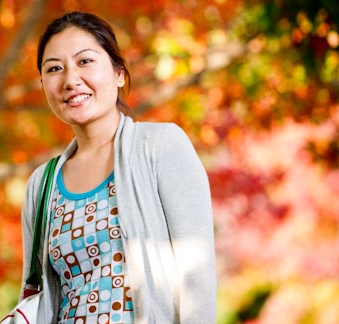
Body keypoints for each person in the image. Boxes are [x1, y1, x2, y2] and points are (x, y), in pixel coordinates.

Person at [20, 11, 216, 324]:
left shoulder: (160, 146)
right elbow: (36, 294)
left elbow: (197, 276)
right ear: (44, 84)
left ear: (119, 73)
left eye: (85, 61)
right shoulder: (41, 184)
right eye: (54, 68)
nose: (70, 80)